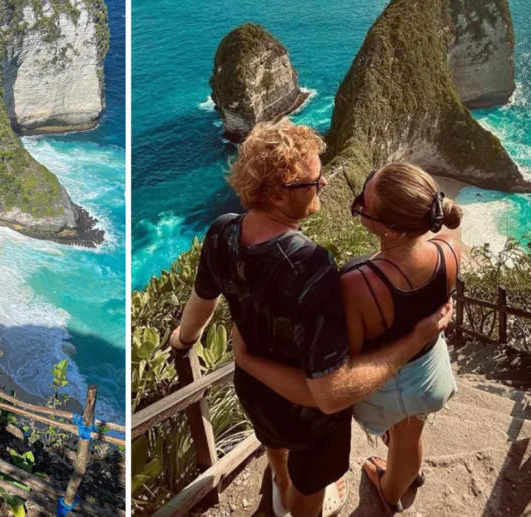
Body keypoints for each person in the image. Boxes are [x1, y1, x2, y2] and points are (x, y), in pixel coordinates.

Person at [171, 119, 452, 517]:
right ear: (276, 195)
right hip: (309, 417)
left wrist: (184, 340)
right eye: (312, 183)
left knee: (274, 445)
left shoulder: (221, 233)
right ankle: (297, 498)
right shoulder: (310, 266)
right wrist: (412, 341)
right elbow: (330, 392)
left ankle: (280, 485)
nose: (322, 187)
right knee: (311, 487)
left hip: (254, 392)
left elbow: (203, 300)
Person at [234, 162, 462, 514]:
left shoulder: (359, 283)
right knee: (409, 435)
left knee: (398, 425)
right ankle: (391, 492)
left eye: (362, 206)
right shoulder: (450, 248)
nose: (357, 205)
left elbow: (347, 359)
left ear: (390, 231)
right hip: (430, 371)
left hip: (388, 382)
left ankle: (383, 485)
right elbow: (446, 245)